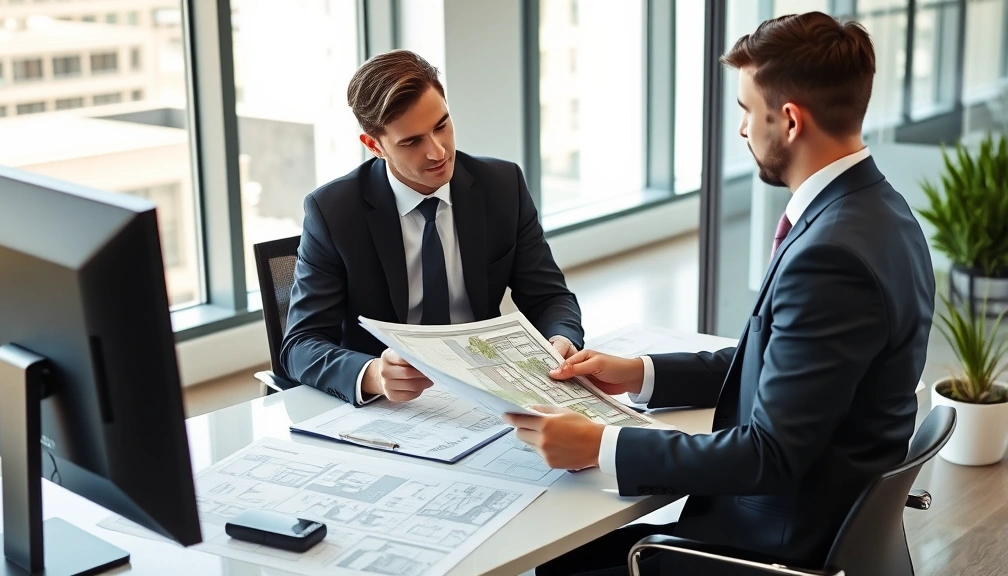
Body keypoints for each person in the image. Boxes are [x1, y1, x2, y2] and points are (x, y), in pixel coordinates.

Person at [504, 12, 936, 576]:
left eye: (745, 112)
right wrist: (640, 372)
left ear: (788, 121)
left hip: (768, 548)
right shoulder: (883, 213)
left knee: (554, 565)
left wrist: (601, 446)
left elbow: (769, 455)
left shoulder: (832, 255)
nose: (741, 131)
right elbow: (784, 360)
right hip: (817, 525)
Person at [281, 49, 583, 407]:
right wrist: (374, 375)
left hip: (489, 389)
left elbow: (549, 297)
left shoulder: (503, 186)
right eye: (412, 141)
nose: (438, 152)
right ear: (374, 145)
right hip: (395, 405)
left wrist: (561, 339)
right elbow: (301, 344)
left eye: (441, 125)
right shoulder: (332, 211)